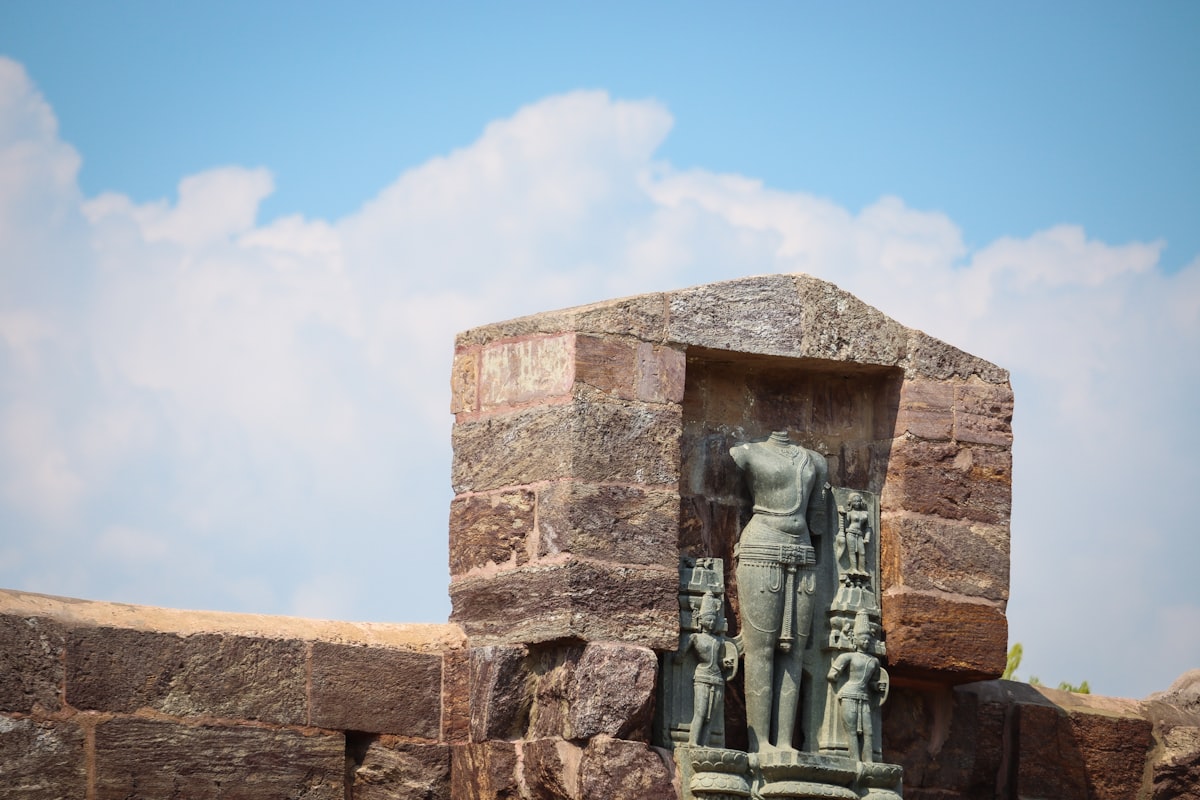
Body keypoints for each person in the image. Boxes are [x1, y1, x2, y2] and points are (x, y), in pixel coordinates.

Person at [729, 430, 829, 752]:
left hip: (802, 550)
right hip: (762, 547)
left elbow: (817, 522)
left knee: (794, 651)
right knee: (760, 649)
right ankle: (759, 744)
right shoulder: (746, 452)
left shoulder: (815, 461)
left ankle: (785, 742)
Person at [675, 591, 734, 747]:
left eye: (714, 619)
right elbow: (679, 656)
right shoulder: (695, 638)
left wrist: (725, 663)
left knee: (712, 716)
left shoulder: (719, 641)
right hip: (701, 676)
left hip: (717, 677)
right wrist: (681, 652)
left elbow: (719, 661)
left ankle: (706, 744)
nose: (712, 622)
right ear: (700, 620)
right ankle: (693, 742)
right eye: (709, 619)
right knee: (701, 712)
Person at [827, 611, 883, 763]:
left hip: (864, 696)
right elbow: (832, 674)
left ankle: (869, 761)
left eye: (868, 639)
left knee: (868, 732)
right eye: (862, 639)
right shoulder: (847, 657)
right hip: (849, 694)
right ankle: (855, 761)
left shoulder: (874, 661)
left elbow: (874, 681)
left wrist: (878, 687)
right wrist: (835, 674)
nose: (865, 642)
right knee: (851, 731)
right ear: (855, 639)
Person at [837, 493, 871, 578]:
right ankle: (853, 568)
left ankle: (862, 570)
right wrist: (842, 515)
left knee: (862, 553)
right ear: (851, 503)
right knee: (852, 552)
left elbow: (868, 527)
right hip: (850, 533)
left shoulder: (865, 513)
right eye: (855, 501)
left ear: (861, 502)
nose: (857, 503)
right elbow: (845, 524)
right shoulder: (850, 513)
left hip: (859, 534)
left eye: (858, 501)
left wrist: (867, 537)